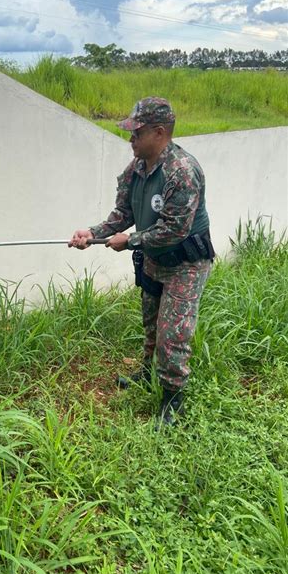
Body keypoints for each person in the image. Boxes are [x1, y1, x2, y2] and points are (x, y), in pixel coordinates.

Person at [69, 97, 214, 426]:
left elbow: (175, 229)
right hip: (152, 258)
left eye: (136, 133)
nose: (130, 139)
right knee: (151, 322)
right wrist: (90, 234)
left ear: (159, 132)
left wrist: (130, 241)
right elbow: (123, 215)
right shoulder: (135, 169)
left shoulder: (183, 172)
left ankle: (172, 398)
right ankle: (148, 372)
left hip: (185, 263)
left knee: (172, 333)